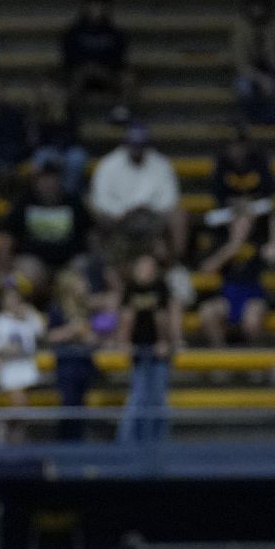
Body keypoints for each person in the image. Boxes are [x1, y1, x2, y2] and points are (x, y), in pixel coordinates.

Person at [196, 125, 275, 346]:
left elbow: (273, 257)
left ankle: (256, 365)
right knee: (207, 313)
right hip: (227, 293)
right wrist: (233, 246)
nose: (243, 220)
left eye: (247, 218)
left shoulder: (261, 235)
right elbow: (207, 269)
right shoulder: (220, 237)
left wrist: (272, 230)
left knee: (252, 319)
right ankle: (220, 361)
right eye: (239, 217)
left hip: (253, 294)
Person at [89, 123, 182, 267]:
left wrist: (147, 211)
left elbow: (170, 199)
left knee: (178, 216)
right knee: (99, 218)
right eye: (134, 145)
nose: (137, 149)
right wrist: (124, 212)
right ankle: (106, 266)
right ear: (125, 144)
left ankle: (174, 263)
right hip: (119, 218)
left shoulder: (161, 164)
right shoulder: (108, 165)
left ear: (148, 145)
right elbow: (101, 200)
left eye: (141, 145)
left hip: (152, 218)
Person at [0, 161, 90, 295]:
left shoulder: (73, 202)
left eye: (53, 178)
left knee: (83, 266)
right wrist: (1, 272)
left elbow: (89, 235)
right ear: (36, 181)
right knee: (28, 272)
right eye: (45, 179)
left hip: (67, 263)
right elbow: (7, 238)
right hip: (33, 262)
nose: (49, 183)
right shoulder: (24, 202)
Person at [117, 253, 180, 443]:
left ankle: (158, 441)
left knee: (158, 398)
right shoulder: (131, 288)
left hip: (159, 350)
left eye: (149, 267)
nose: (146, 271)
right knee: (138, 396)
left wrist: (169, 342)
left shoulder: (161, 288)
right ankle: (127, 442)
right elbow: (126, 317)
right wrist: (124, 342)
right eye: (143, 267)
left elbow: (166, 316)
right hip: (139, 348)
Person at [0, 280, 45, 437]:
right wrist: (3, 347)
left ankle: (11, 432)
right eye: (9, 297)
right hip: (10, 370)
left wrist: (30, 312)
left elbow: (41, 332)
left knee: (24, 408)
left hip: (28, 369)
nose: (13, 301)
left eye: (16, 297)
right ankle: (7, 429)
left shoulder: (29, 318)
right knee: (19, 404)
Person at [60, 0, 134, 124]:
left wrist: (101, 68)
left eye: (101, 7)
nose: (97, 10)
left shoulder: (116, 34)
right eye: (94, 6)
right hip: (81, 73)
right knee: (77, 74)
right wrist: (89, 67)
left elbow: (120, 59)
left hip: (107, 74)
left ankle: (120, 112)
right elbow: (69, 59)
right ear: (86, 8)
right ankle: (68, 113)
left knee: (128, 78)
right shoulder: (73, 33)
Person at [44, 270, 101, 440]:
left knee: (81, 404)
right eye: (81, 283)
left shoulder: (86, 309)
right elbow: (50, 336)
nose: (86, 287)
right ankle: (65, 440)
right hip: (67, 365)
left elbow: (95, 336)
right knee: (69, 403)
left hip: (84, 363)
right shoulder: (57, 310)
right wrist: (72, 331)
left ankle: (78, 439)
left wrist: (92, 337)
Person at [27, 79, 88, 197]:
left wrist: (61, 152)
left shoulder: (69, 112)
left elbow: (75, 137)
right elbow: (37, 142)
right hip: (47, 150)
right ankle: (41, 195)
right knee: (40, 158)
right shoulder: (39, 114)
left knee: (77, 158)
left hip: (69, 149)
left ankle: (68, 195)